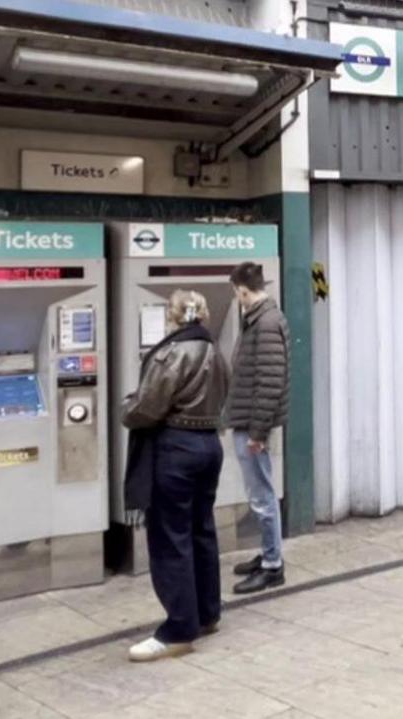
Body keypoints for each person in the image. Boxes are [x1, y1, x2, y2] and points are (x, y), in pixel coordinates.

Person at [121, 290, 229, 662]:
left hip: (175, 449)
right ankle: (207, 613)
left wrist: (126, 407)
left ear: (171, 316)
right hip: (209, 446)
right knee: (201, 531)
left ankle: (179, 630)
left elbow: (145, 408)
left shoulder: (171, 352)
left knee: (170, 538)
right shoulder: (215, 350)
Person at [226, 262, 291, 595]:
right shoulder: (259, 319)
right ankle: (268, 552)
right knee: (259, 494)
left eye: (236, 292)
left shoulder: (264, 323)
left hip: (253, 425)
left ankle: (272, 566)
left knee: (262, 496)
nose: (237, 298)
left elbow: (269, 383)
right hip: (249, 420)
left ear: (243, 290)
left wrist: (257, 433)